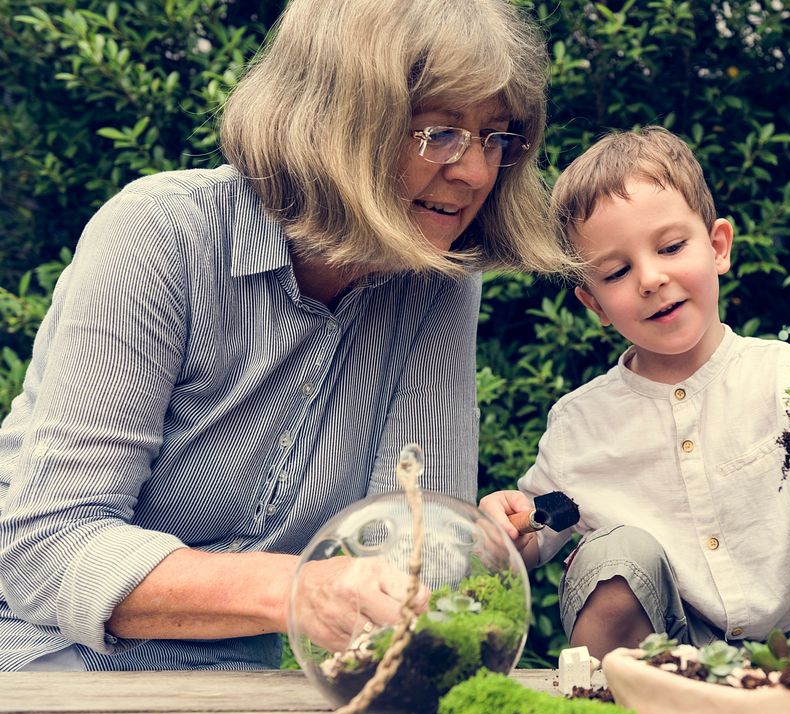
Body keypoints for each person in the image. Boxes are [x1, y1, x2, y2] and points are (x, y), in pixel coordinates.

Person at [0, 0, 567, 671]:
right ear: (339, 121)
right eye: (439, 132)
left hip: (237, 689)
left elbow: (412, 547)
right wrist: (294, 589)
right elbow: (45, 544)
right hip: (46, 665)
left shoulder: (437, 279)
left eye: (495, 138)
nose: (475, 172)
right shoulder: (158, 237)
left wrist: (475, 543)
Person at [480, 126, 790, 660]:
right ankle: (617, 710)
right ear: (597, 307)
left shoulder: (780, 375)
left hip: (772, 656)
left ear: (718, 246)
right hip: (647, 655)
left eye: (672, 247)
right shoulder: (580, 421)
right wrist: (509, 525)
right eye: (617, 271)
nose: (651, 278)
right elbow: (540, 526)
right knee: (614, 553)